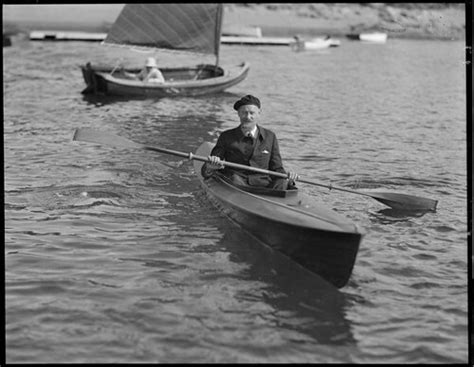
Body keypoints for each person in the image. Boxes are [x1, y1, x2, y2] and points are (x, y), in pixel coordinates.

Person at [202, 94, 298, 190]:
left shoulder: (270, 137)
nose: (248, 117)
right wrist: (211, 166)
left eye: (252, 113)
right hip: (236, 182)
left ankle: (277, 199)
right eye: (244, 113)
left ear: (259, 113)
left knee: (282, 182)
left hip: (264, 183)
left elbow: (277, 168)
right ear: (238, 114)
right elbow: (210, 167)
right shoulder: (226, 136)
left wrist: (288, 178)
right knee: (234, 179)